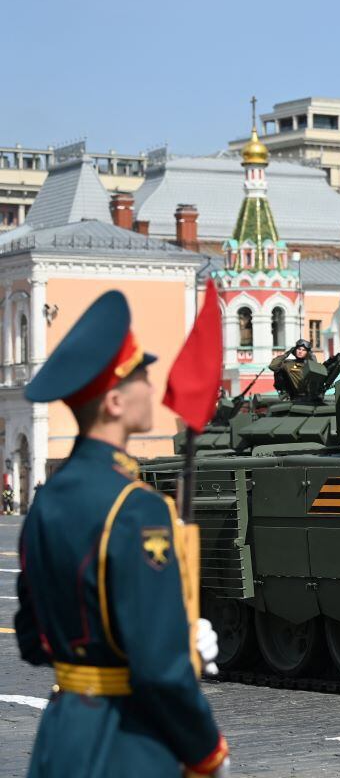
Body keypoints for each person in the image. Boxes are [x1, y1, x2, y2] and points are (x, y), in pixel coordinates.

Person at [15, 290, 229, 777]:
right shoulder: (138, 509)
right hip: (126, 744)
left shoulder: (47, 501)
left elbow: (33, 638)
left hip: (61, 737)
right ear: (114, 401)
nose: (151, 387)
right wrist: (207, 752)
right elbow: (159, 672)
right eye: (141, 376)